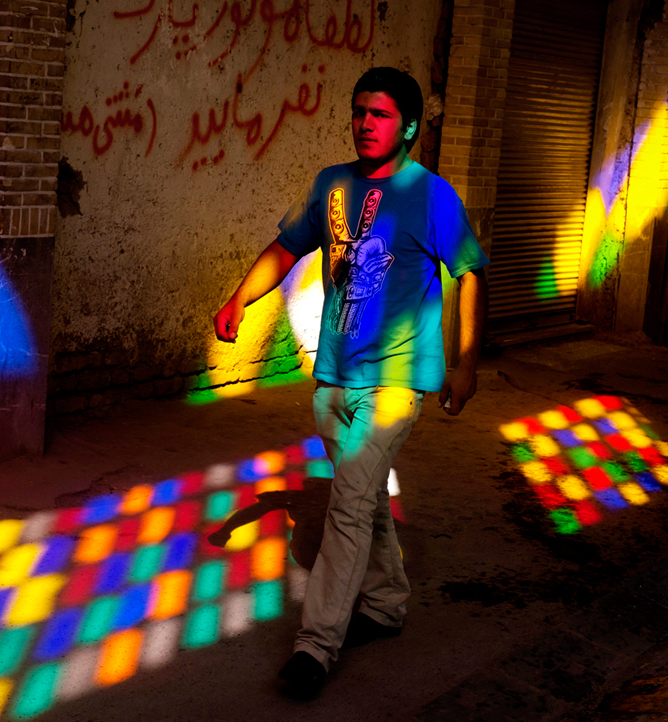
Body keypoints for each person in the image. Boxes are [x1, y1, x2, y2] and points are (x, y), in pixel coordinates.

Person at [212, 66, 490, 696]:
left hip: (396, 382)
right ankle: (386, 603)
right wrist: (240, 299)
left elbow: (470, 272)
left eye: (381, 114)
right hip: (335, 377)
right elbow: (287, 247)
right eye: (360, 111)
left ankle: (316, 645)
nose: (366, 123)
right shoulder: (330, 183)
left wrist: (466, 363)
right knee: (362, 500)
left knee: (347, 506)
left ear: (409, 128)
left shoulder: (432, 195)